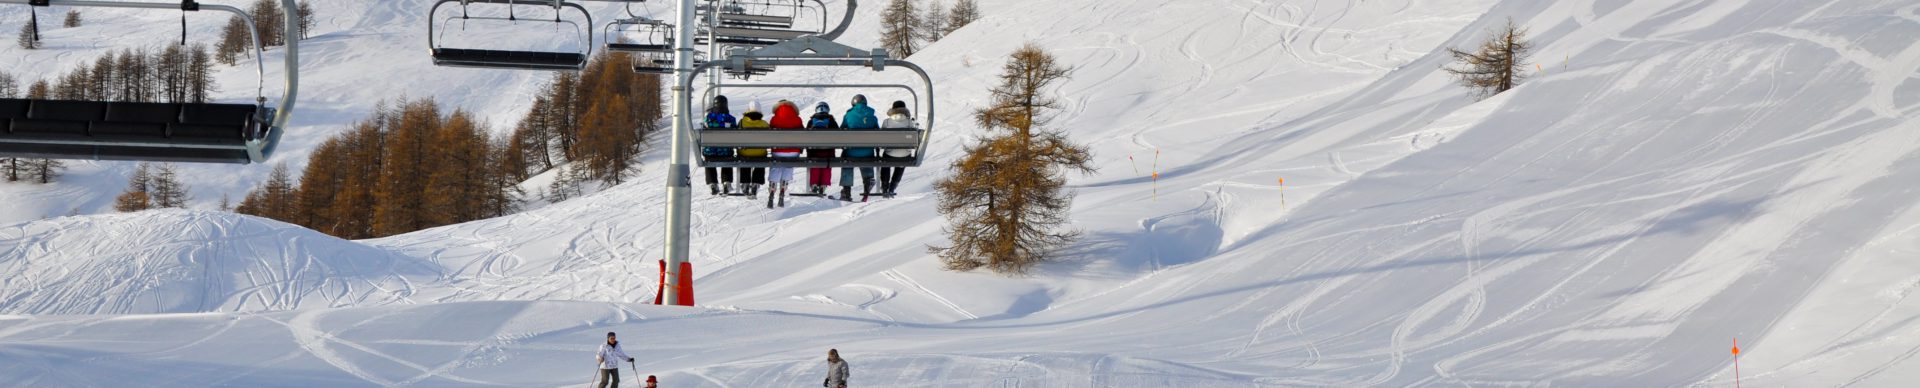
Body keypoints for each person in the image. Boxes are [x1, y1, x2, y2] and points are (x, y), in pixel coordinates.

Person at [839, 95, 880, 202]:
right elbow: (878, 134)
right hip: (868, 152)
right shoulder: (872, 116)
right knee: (866, 155)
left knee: (846, 160)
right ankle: (868, 182)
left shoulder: (848, 116)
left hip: (851, 151)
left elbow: (841, 131)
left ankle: (846, 191)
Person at [767, 100, 806, 208]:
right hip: (793, 152)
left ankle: (772, 187)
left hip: (778, 151)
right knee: (788, 166)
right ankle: (783, 187)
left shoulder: (774, 119)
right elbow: (803, 135)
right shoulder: (798, 119)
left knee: (776, 167)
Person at [878, 100, 915, 198]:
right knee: (901, 163)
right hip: (905, 154)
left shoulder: (887, 122)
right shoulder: (909, 122)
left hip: (890, 154)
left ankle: (885, 187)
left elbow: (881, 137)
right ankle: (892, 188)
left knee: (886, 163)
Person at [703, 95, 739, 196]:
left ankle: (713, 183)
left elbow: (703, 128)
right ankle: (726, 182)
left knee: (709, 157)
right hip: (726, 152)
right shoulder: (731, 119)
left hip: (710, 152)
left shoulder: (708, 118)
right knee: (727, 156)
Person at [804, 102, 840, 196]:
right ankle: (823, 185)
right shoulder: (831, 121)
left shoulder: (811, 121)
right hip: (828, 152)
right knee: (827, 167)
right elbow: (838, 136)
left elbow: (806, 136)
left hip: (814, 152)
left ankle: (814, 184)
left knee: (815, 167)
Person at [737, 102, 771, 199]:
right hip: (760, 153)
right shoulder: (764, 123)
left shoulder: (742, 122)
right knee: (761, 158)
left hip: (745, 152)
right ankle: (756, 182)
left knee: (744, 159)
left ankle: (745, 182)